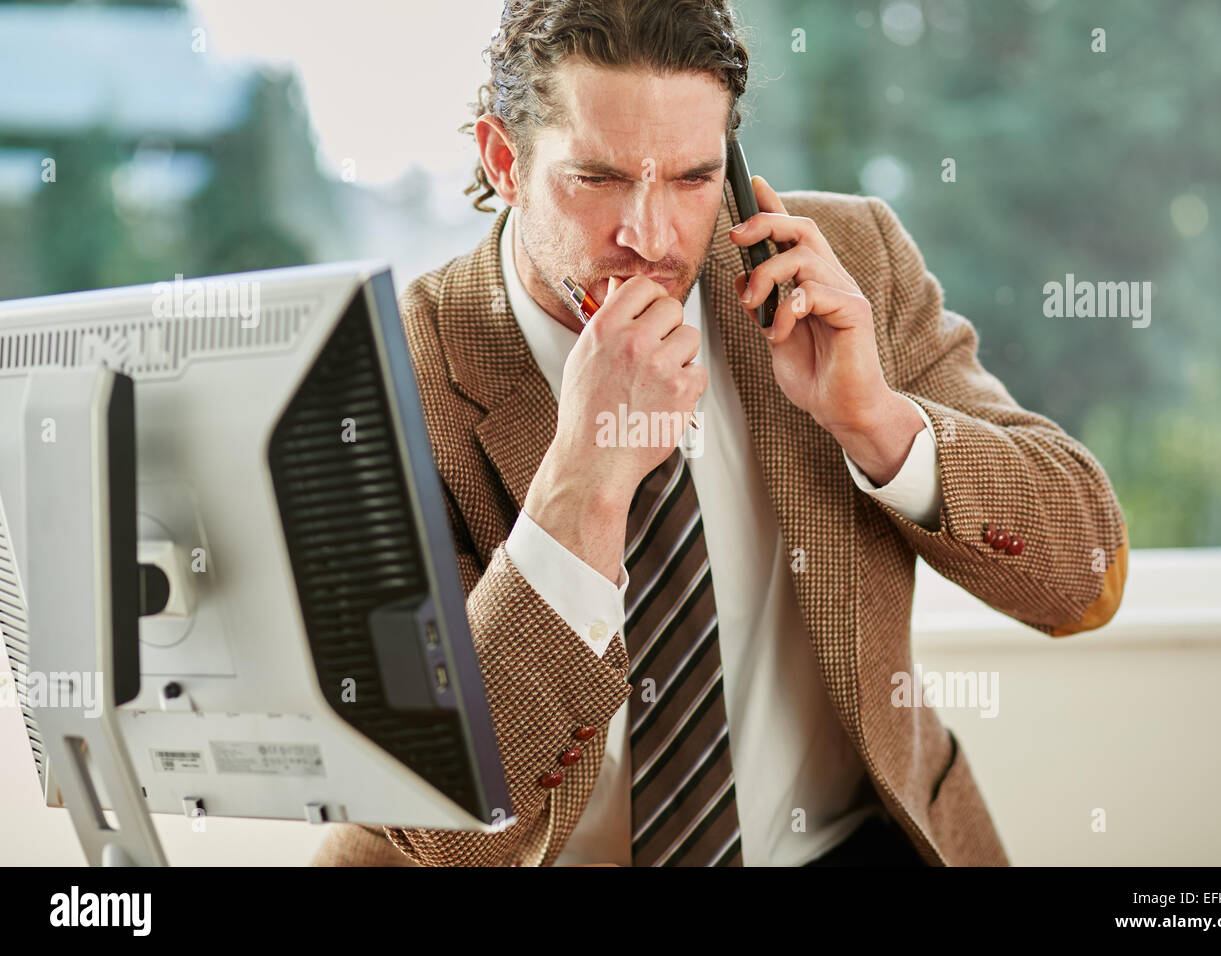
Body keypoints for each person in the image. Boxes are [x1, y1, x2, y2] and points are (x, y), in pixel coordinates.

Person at [311, 0, 1128, 868]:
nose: (652, 237)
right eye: (599, 178)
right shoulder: (384, 375)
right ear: (504, 160)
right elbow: (441, 820)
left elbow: (1085, 581)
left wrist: (878, 422)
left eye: (693, 178)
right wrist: (582, 481)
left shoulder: (847, 265)